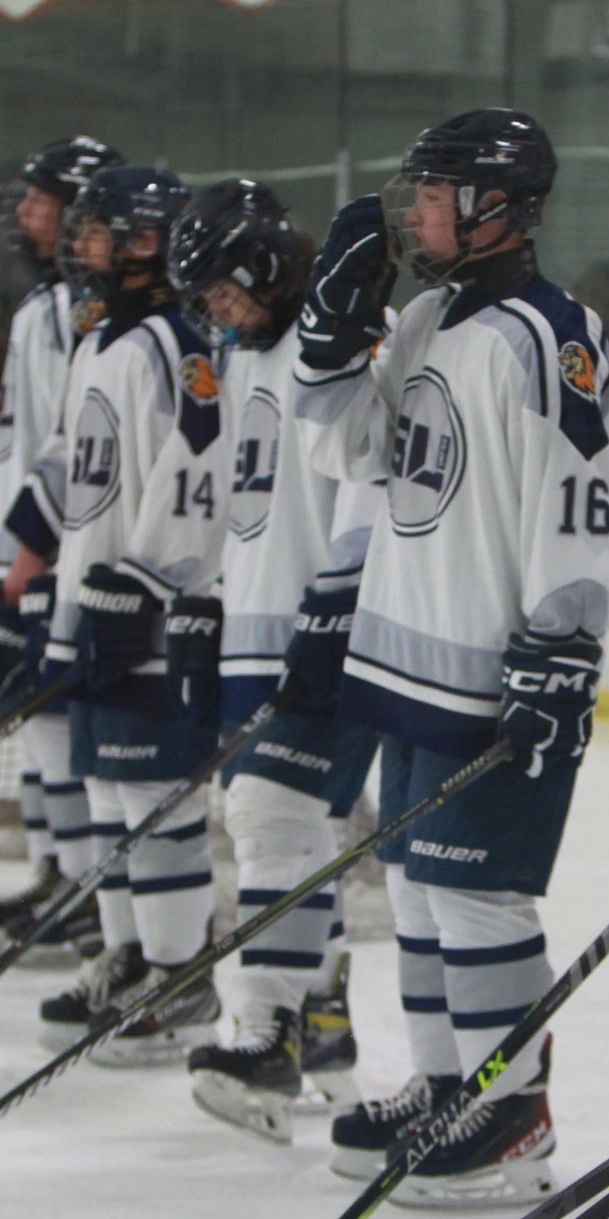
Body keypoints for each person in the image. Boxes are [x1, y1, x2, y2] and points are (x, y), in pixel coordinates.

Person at [294, 109, 609, 1208]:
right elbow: (347, 449)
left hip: (494, 666)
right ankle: (447, 1081)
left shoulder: (549, 333)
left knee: (479, 897)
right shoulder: (430, 315)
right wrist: (327, 344)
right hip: (406, 662)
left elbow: (578, 493)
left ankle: (513, 1111)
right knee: (421, 891)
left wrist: (561, 640)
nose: (417, 211)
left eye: (438, 194)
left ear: (497, 206)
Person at [152, 178, 377, 1140]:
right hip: (255, 623)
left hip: (322, 630)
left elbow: (376, 485)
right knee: (287, 827)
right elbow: (243, 503)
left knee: (271, 817)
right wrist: (205, 604)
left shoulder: (345, 345)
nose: (212, 309)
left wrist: (337, 606)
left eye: (218, 288)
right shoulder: (242, 356)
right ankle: (320, 1012)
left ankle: (268, 1031)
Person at [22, 163, 227, 1065]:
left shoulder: (177, 347)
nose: (81, 241)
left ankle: (182, 979)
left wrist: (144, 580)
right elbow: (79, 473)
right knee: (104, 784)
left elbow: (198, 475)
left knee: (153, 790)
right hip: (90, 602)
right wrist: (57, 585)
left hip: (146, 610)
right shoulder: (98, 341)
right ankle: (129, 951)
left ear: (146, 241)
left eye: (99, 229)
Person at [0, 136, 122, 959]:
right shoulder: (44, 308)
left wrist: (37, 550)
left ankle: (85, 887)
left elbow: (78, 445)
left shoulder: (85, 313)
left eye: (42, 198)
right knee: (33, 722)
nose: (24, 212)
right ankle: (55, 871)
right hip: (29, 541)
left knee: (60, 727)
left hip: (63, 551)